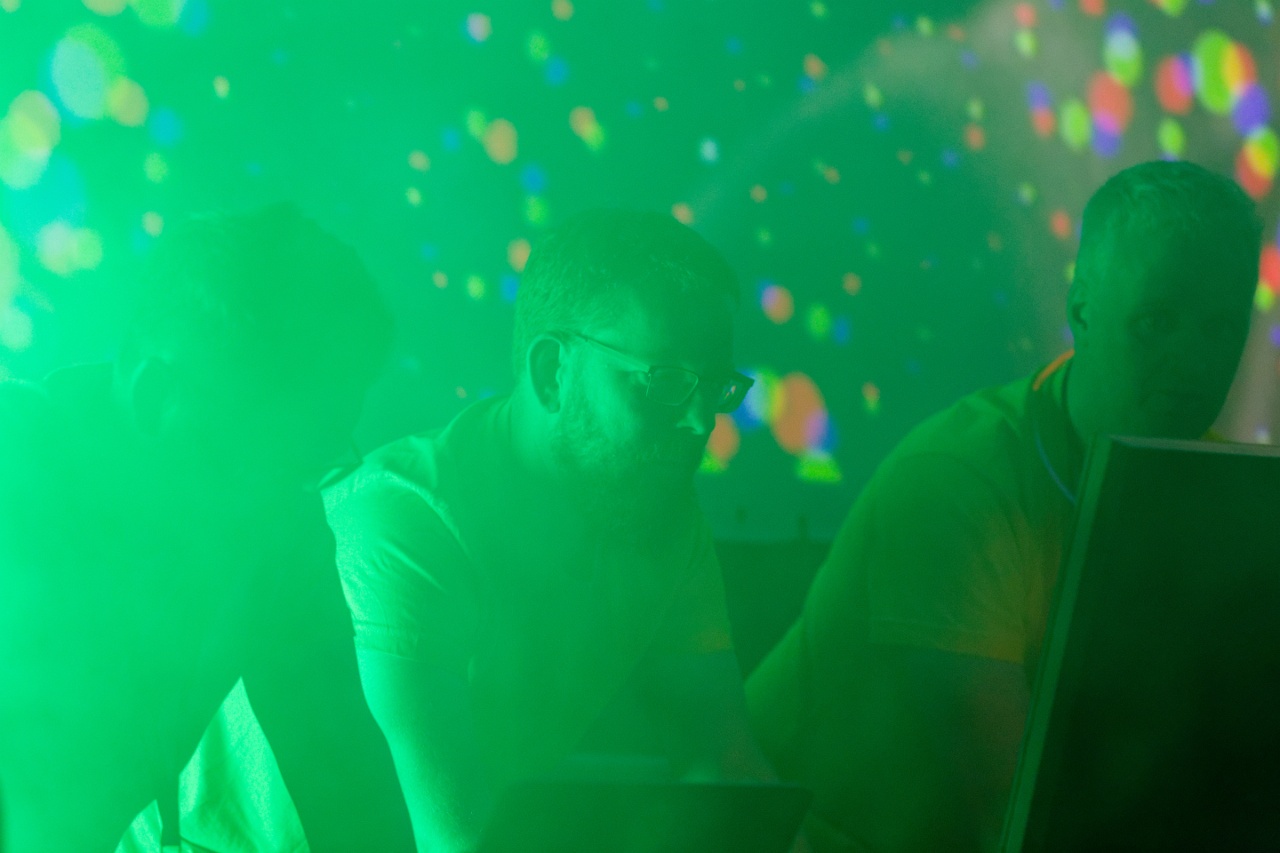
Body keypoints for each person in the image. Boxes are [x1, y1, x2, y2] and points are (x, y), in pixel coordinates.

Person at [745, 160, 1262, 853]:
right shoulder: (959, 481)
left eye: (1221, 327)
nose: (1193, 360)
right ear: (1082, 310)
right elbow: (1010, 809)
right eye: (1156, 321)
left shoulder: (1218, 484)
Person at [314, 209, 775, 851]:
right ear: (552, 371)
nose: (702, 423)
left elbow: (722, 764)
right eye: (666, 381)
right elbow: (456, 838)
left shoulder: (662, 515)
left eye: (715, 387)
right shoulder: (407, 517)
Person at [0, 206, 414, 853]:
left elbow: (353, 793)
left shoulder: (280, 529)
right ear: (155, 396)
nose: (296, 497)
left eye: (318, 459)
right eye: (271, 457)